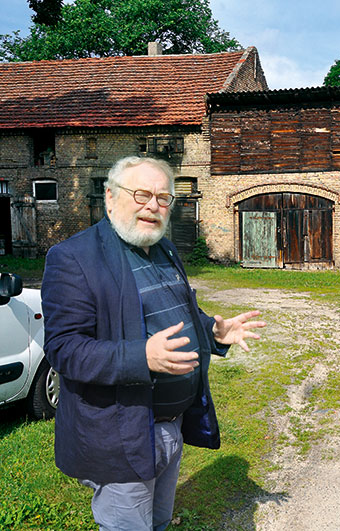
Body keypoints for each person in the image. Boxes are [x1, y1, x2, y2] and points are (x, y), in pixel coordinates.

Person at [41, 156, 266, 530]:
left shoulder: (163, 249)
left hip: (170, 425)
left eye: (164, 198)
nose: (153, 206)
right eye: (142, 194)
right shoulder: (73, 258)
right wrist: (140, 356)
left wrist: (212, 331)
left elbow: (179, 311)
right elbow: (64, 350)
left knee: (159, 521)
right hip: (121, 432)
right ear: (110, 197)